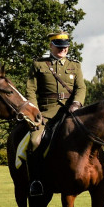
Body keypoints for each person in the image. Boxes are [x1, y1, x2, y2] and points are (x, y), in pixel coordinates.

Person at [26, 30, 87, 196]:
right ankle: (36, 181)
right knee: (35, 141)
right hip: (45, 113)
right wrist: (35, 110)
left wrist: (76, 103)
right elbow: (31, 89)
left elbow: (81, 88)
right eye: (59, 46)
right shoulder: (39, 64)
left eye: (65, 47)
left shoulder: (75, 65)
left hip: (71, 113)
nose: (63, 50)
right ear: (51, 46)